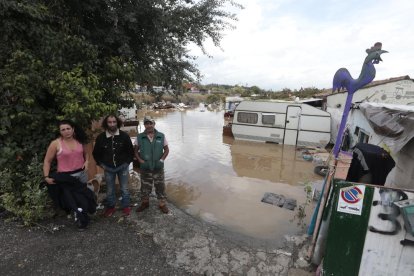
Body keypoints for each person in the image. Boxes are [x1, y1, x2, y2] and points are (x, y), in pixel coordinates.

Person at [43, 120, 95, 230]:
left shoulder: (79, 141)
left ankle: (82, 214)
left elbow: (86, 153)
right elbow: (47, 161)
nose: (66, 131)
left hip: (81, 174)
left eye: (68, 128)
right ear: (60, 131)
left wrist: (86, 162)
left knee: (83, 197)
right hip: (66, 177)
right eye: (63, 129)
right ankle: (80, 219)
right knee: (72, 199)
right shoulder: (56, 143)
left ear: (73, 129)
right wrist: (46, 177)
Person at [92, 114, 134, 217]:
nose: (112, 124)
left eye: (114, 122)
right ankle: (111, 207)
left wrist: (126, 163)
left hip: (122, 166)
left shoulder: (124, 136)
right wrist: (102, 165)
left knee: (124, 188)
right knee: (110, 189)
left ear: (117, 123)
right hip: (108, 168)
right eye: (109, 122)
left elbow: (130, 152)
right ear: (106, 123)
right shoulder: (101, 138)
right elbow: (96, 154)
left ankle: (126, 206)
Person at [134, 116, 170, 213]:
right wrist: (140, 160)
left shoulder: (161, 136)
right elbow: (135, 151)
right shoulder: (139, 137)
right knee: (145, 187)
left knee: (160, 187)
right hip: (145, 168)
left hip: (158, 168)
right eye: (146, 123)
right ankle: (145, 203)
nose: (149, 125)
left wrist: (162, 160)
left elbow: (166, 150)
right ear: (144, 125)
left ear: (154, 124)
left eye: (151, 123)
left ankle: (162, 204)